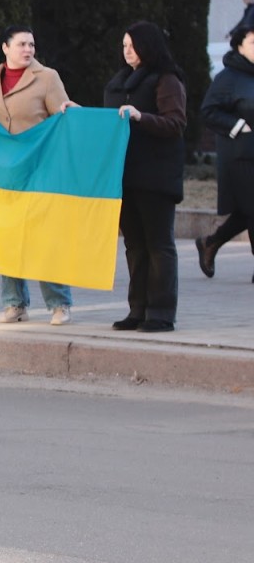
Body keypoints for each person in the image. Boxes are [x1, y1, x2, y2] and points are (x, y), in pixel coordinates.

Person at [0, 25, 75, 324]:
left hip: (39, 169)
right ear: (5, 48)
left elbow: (62, 119)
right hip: (4, 172)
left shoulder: (47, 77)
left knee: (44, 238)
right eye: (21, 44)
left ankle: (59, 304)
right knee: (9, 237)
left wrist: (72, 112)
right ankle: (14, 303)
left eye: (31, 44)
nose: (28, 50)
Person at [103, 22, 186, 331]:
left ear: (147, 46)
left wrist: (141, 117)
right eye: (123, 45)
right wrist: (78, 113)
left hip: (156, 177)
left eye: (131, 45)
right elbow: (109, 122)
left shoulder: (166, 80)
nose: (126, 51)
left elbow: (175, 123)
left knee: (159, 244)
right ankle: (137, 310)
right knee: (135, 245)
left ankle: (161, 312)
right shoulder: (120, 81)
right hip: (124, 175)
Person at [198, 24, 254, 280]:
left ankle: (211, 242)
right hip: (240, 156)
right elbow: (208, 111)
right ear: (239, 46)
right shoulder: (228, 77)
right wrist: (237, 125)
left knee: (247, 211)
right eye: (253, 43)